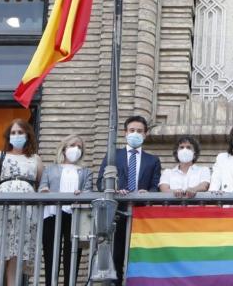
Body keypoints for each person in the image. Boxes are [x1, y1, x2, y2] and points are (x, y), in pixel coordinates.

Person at [97, 115, 161, 286]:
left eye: (139, 131)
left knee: (139, 258)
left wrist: (147, 192)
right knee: (116, 257)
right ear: (125, 133)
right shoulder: (113, 155)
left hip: (141, 216)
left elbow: (156, 186)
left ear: (145, 134)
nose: (135, 133)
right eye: (132, 130)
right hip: (117, 214)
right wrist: (114, 189)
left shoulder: (153, 160)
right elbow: (100, 182)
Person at [0, 118, 44, 285]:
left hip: (26, 210)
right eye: (13, 133)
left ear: (27, 135)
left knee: (17, 251)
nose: (16, 135)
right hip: (2, 206)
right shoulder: (0, 155)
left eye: (20, 132)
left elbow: (42, 184)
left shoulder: (36, 159)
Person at [39, 134, 92, 286]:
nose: (76, 149)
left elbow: (88, 191)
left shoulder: (86, 171)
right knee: (51, 254)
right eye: (72, 145)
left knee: (73, 255)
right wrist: (44, 191)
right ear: (64, 148)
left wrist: (81, 194)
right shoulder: (50, 169)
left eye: (79, 147)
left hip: (75, 216)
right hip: (52, 214)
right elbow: (43, 186)